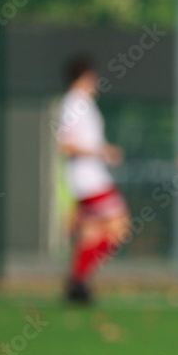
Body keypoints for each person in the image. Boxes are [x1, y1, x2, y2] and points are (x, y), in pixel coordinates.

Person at [56, 56, 129, 304]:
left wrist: (102, 150)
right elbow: (65, 144)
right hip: (88, 179)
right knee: (119, 227)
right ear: (84, 77)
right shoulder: (73, 103)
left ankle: (78, 285)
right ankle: (77, 279)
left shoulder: (84, 103)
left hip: (91, 176)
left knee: (94, 232)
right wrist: (101, 152)